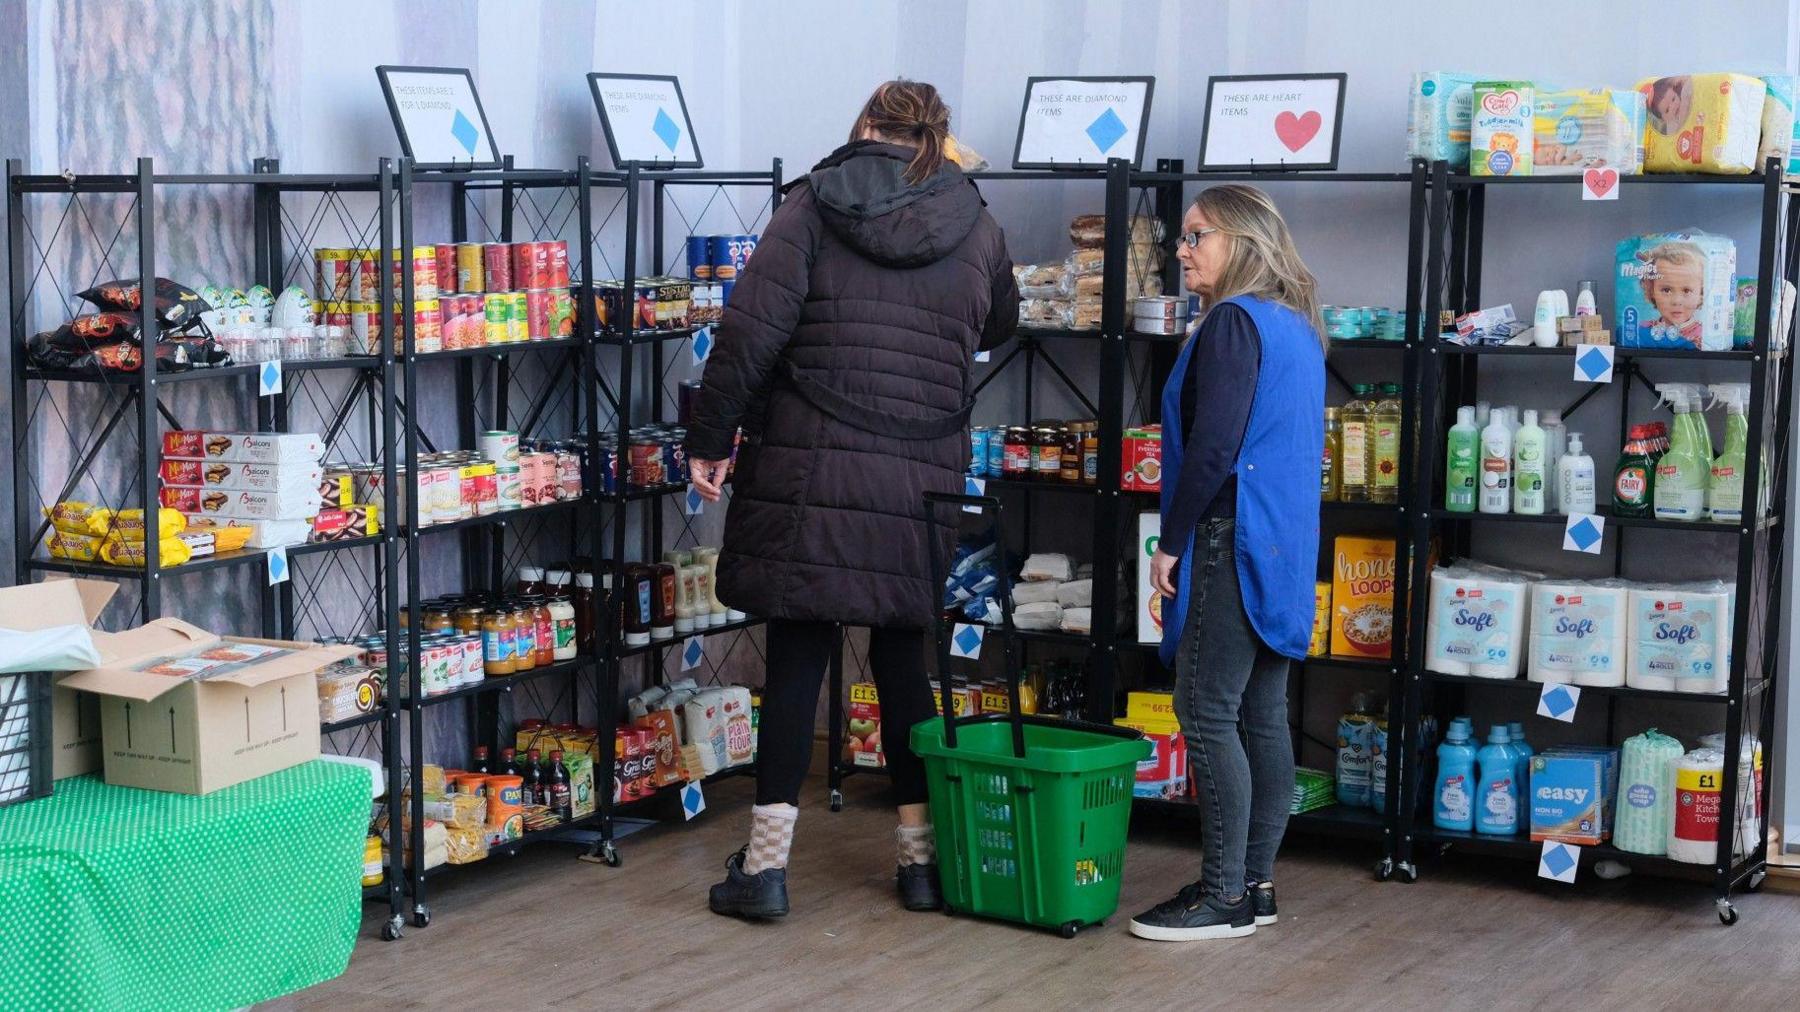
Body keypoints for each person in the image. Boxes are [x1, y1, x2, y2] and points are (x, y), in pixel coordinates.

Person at [683, 79, 1018, 920]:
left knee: (799, 652)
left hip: (814, 465)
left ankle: (763, 873)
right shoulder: (975, 219)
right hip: (923, 471)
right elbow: (1002, 322)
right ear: (937, 136)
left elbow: (748, 335)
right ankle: (921, 866)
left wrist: (710, 440)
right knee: (906, 656)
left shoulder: (811, 204)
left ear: (867, 124)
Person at [1128, 185, 1325, 942]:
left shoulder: (1234, 324)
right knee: (1261, 715)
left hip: (1229, 538)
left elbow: (1214, 448)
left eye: (1197, 234)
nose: (1183, 249)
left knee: (1205, 713)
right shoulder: (1297, 326)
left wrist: (1169, 542)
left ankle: (1222, 897)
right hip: (1281, 542)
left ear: (1240, 241)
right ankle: (1254, 884)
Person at [1640, 240, 1707, 347]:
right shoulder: (1642, 330)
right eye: (1666, 290)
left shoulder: (1704, 336)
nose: (1677, 301)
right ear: (1652, 290)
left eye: (1686, 290)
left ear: (1701, 293)